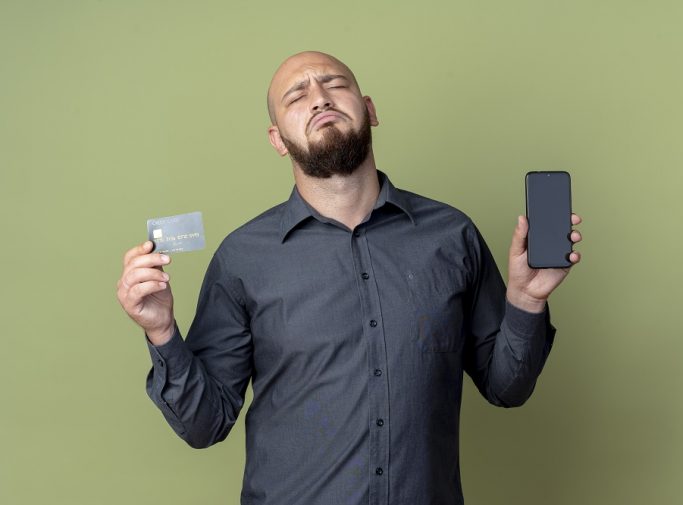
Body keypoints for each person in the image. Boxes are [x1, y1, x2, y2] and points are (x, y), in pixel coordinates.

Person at [116, 50, 583, 505]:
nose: (319, 97)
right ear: (277, 139)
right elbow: (205, 425)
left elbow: (507, 389)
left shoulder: (451, 236)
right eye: (297, 95)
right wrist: (161, 333)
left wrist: (526, 299)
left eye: (335, 84)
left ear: (370, 110)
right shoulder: (242, 258)